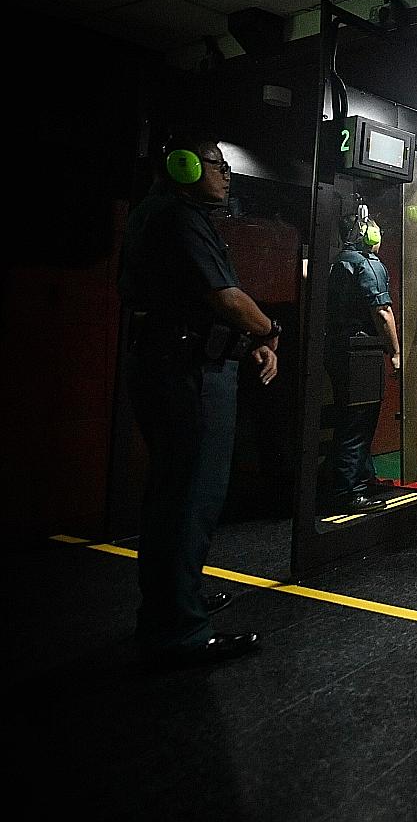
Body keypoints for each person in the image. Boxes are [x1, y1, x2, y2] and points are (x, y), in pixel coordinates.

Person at [118, 135, 279, 667]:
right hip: (191, 374)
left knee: (169, 497)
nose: (226, 174)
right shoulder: (181, 218)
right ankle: (179, 630)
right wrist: (268, 331)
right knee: (190, 499)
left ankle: (171, 603)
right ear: (184, 167)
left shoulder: (150, 213)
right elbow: (225, 297)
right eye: (217, 165)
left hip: (165, 366)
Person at [323, 204, 400, 513]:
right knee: (358, 422)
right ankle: (348, 491)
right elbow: (382, 312)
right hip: (361, 353)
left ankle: (363, 478)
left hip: (339, 350)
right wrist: (394, 351)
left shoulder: (339, 263)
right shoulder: (368, 265)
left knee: (351, 418)